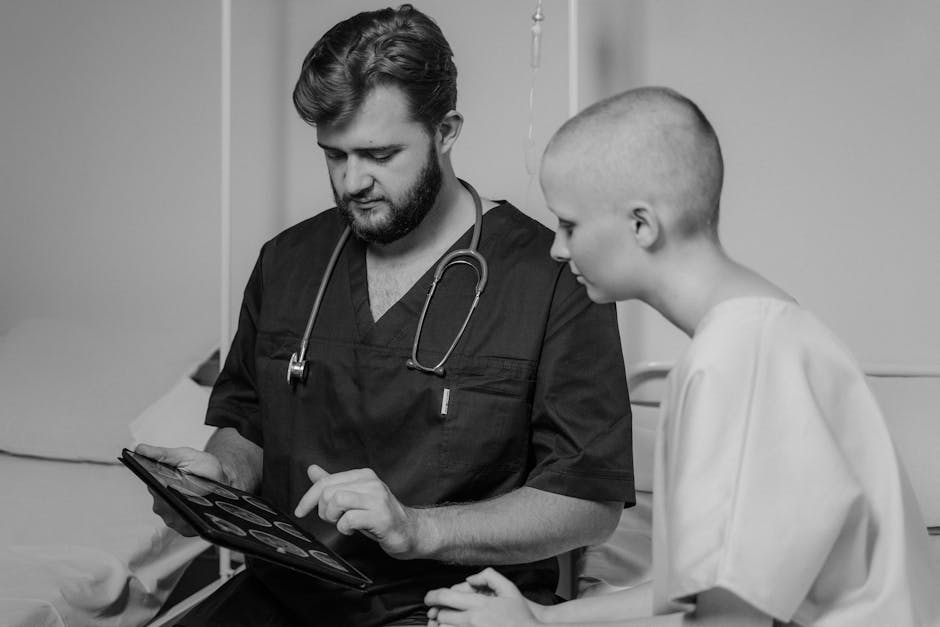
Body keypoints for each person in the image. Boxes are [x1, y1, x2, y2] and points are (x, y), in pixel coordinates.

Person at [136, 5, 635, 626]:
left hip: (448, 606)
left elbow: (588, 502)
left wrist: (418, 529)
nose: (351, 182)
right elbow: (248, 425)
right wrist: (222, 478)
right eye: (333, 155)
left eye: (378, 154)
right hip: (284, 594)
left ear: (446, 131)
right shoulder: (288, 261)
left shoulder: (552, 276)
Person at [424, 86, 940, 626]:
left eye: (569, 225)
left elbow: (731, 621)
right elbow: (697, 587)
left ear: (642, 225)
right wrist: (542, 617)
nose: (557, 247)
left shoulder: (739, 357)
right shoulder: (761, 328)